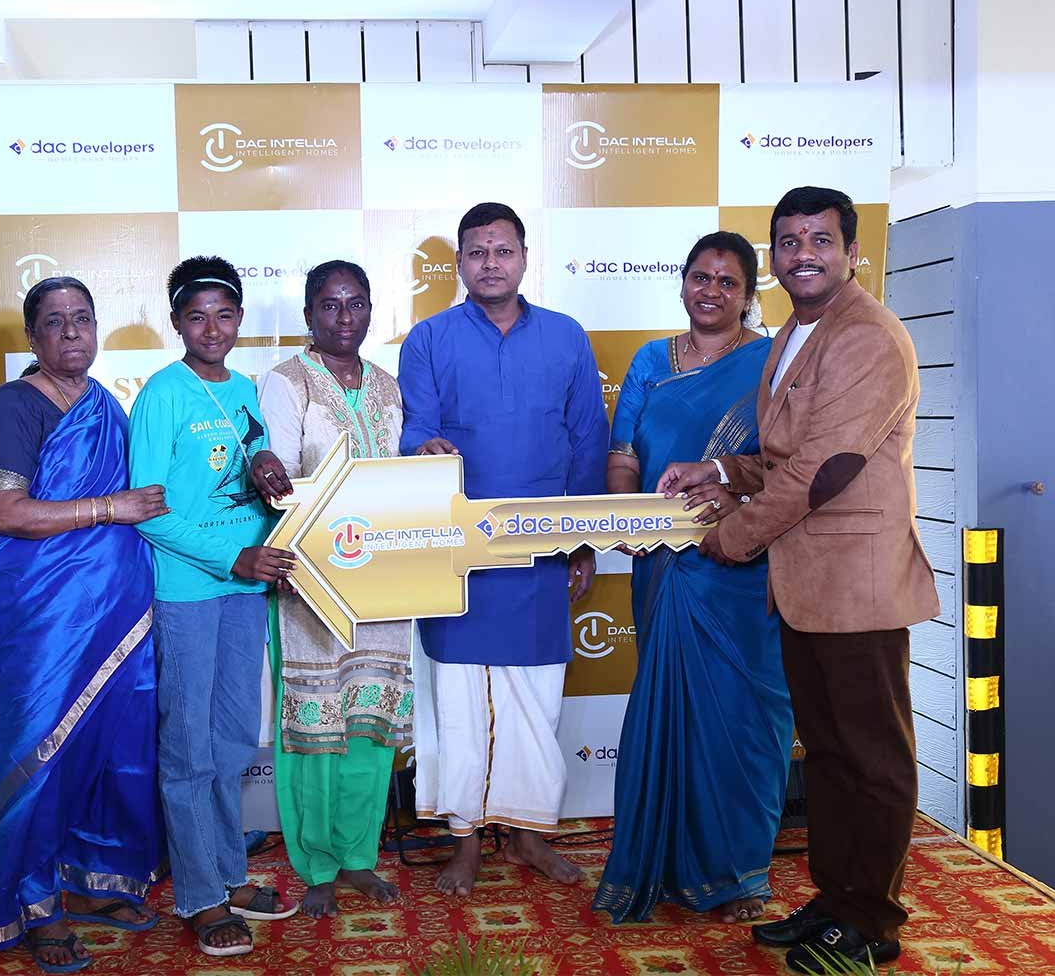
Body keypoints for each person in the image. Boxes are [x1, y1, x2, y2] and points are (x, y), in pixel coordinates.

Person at [657, 187, 939, 972]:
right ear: (775, 257)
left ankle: (872, 921)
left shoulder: (867, 335)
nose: (803, 253)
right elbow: (784, 455)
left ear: (852, 251)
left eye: (820, 239)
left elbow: (826, 467)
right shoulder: (794, 331)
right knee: (830, 757)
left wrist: (733, 537)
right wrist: (718, 469)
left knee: (872, 757)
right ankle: (836, 901)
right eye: (789, 241)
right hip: (807, 586)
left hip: (859, 584)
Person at [398, 202, 609, 896]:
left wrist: (582, 542)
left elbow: (588, 441)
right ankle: (463, 842)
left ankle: (527, 835)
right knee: (458, 703)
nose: (490, 263)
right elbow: (414, 428)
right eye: (477, 252)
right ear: (460, 262)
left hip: (543, 550)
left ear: (523, 256)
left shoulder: (566, 336)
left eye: (503, 250)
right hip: (457, 548)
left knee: (536, 700)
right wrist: (423, 448)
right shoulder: (428, 339)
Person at [591, 232, 794, 926]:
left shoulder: (771, 363)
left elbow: (789, 463)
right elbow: (624, 453)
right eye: (700, 277)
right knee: (672, 712)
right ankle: (668, 864)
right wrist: (624, 513)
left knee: (744, 720)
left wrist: (733, 492)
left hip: (740, 564)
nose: (711, 291)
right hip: (662, 566)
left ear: (749, 294)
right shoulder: (651, 361)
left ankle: (741, 874)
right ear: (682, 283)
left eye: (728, 282)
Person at [0, 277, 169, 973]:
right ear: (32, 337)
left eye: (82, 319)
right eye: (54, 322)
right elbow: (3, 512)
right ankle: (33, 903)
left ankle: (94, 880)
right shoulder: (13, 406)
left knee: (116, 746)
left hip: (118, 612)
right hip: (47, 618)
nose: (71, 333)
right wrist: (110, 508)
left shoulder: (106, 406)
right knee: (42, 754)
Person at [127, 256, 301, 957]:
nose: (212, 329)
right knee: (189, 748)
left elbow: (255, 471)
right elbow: (148, 510)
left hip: (245, 590)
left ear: (239, 320)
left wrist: (270, 478)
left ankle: (229, 875)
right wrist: (233, 557)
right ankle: (200, 896)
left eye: (224, 315)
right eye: (196, 316)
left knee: (231, 740)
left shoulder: (248, 389)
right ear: (176, 322)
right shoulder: (161, 394)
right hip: (190, 592)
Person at [256, 260, 412, 918]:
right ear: (309, 315)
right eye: (329, 304)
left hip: (380, 582)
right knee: (314, 727)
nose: (344, 317)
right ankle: (316, 864)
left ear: (371, 310)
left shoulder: (388, 386)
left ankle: (357, 857)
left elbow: (397, 481)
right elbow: (280, 483)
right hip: (311, 582)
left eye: (356, 303)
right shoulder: (287, 382)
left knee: (369, 722)